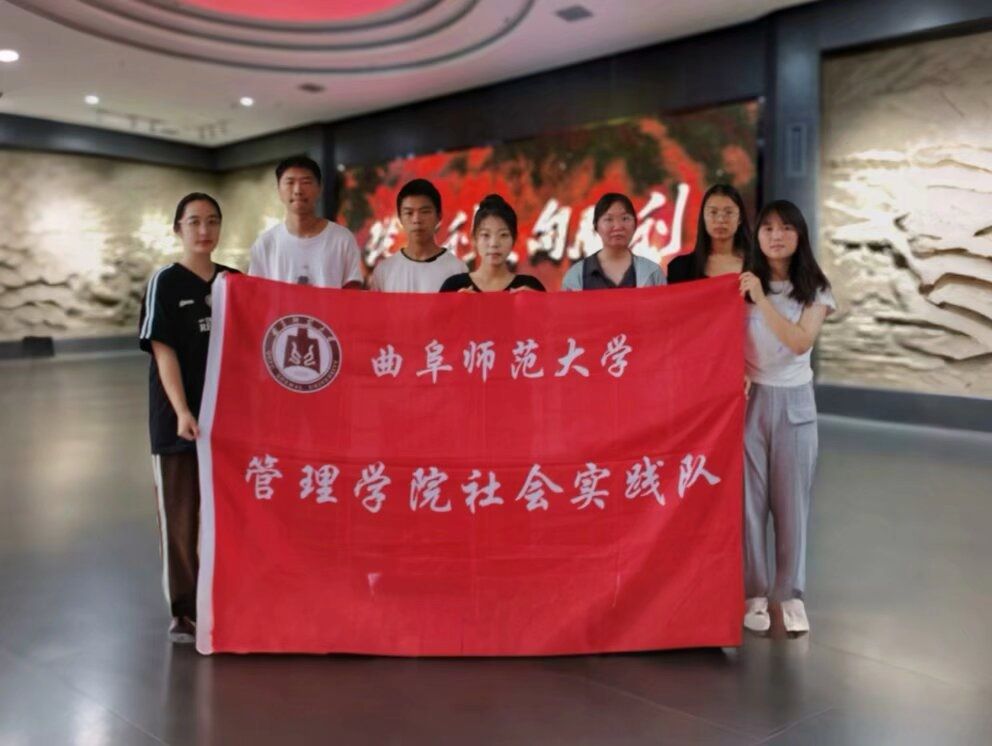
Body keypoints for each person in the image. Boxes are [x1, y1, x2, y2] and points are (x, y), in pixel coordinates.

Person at [138, 193, 239, 643]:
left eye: (212, 221)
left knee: (232, 513)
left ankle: (227, 595)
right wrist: (182, 411)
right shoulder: (165, 282)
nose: (204, 230)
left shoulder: (235, 282)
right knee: (180, 518)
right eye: (194, 221)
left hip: (230, 424)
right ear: (177, 228)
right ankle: (184, 609)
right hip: (177, 422)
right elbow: (163, 351)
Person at [738, 200, 835, 636]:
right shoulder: (741, 285)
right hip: (749, 401)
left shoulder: (815, 288)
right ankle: (754, 595)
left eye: (786, 228)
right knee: (749, 505)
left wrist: (761, 299)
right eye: (768, 228)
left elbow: (799, 342)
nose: (776, 236)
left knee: (792, 505)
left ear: (800, 235)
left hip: (795, 402)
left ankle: (791, 595)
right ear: (757, 236)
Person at [248, 154, 363, 288]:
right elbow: (255, 293)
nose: (298, 190)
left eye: (306, 182)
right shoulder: (265, 244)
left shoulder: (342, 239)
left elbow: (352, 294)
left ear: (319, 188)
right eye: (290, 182)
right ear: (279, 190)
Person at [368, 178, 467, 292]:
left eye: (424, 212)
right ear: (400, 218)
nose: (417, 220)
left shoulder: (457, 269)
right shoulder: (384, 271)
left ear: (439, 216)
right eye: (409, 213)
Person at [440, 194, 545, 293]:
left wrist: (535, 302)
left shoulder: (529, 286)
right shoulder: (454, 286)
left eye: (503, 235)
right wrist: (454, 304)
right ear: (474, 239)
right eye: (486, 235)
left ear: (514, 239)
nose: (494, 243)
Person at [561, 193, 665, 289]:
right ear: (596, 226)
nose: (618, 226)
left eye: (625, 218)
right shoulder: (576, 275)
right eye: (609, 219)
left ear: (635, 224)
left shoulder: (652, 273)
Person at [667, 184, 751, 283]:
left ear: (740, 218)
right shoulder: (680, 267)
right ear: (703, 217)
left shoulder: (757, 266)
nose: (720, 220)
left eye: (728, 212)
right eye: (713, 212)